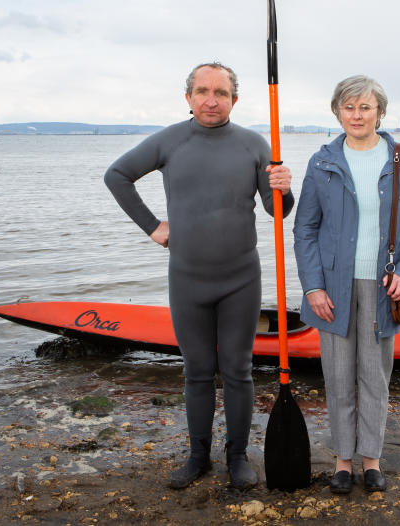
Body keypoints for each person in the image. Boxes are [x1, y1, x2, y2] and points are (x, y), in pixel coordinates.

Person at [104, 62, 294, 490]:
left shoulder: (253, 145)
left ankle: (238, 457)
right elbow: (117, 176)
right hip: (188, 278)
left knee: (239, 370)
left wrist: (283, 187)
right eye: (203, 91)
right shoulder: (171, 140)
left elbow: (277, 211)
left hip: (241, 277)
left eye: (221, 92)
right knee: (197, 371)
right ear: (188, 97)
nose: (212, 99)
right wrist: (153, 227)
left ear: (235, 100)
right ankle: (197, 456)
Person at [293, 75, 400, 494]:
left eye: (365, 107)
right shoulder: (321, 163)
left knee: (375, 376)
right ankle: (341, 461)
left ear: (380, 112)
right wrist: (313, 287)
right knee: (337, 378)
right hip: (333, 288)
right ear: (337, 112)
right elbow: (305, 229)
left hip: (384, 288)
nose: (357, 115)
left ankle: (371, 460)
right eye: (349, 107)